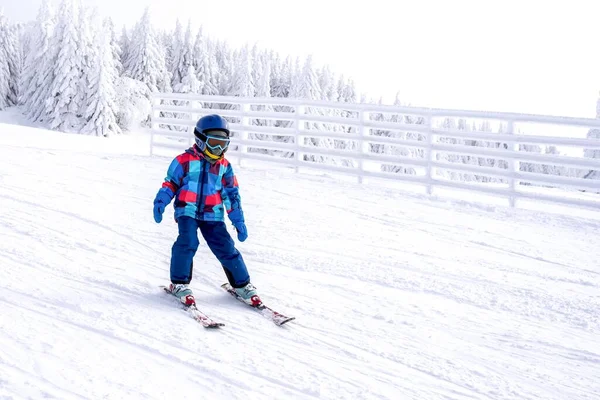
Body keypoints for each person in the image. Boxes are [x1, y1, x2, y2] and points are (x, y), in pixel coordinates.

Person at [152, 114, 261, 308]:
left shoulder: (224, 167)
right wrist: (161, 201)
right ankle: (179, 283)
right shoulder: (184, 160)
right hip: (188, 211)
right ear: (201, 141)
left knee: (226, 247)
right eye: (214, 143)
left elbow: (232, 195)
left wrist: (238, 221)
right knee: (187, 242)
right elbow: (171, 183)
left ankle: (242, 285)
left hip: (213, 214)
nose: (219, 149)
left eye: (223, 144)